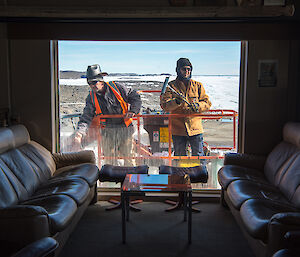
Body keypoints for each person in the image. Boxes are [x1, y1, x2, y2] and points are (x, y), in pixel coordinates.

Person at [74, 64, 142, 166]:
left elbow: (135, 96)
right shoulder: (91, 97)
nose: (92, 86)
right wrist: (80, 133)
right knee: (109, 160)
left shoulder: (117, 88)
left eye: (94, 82)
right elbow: (86, 117)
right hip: (107, 131)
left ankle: (131, 180)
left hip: (125, 129)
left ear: (101, 81)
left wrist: (133, 110)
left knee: (128, 157)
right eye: (89, 83)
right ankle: (112, 179)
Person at [160, 58, 211, 165]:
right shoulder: (171, 86)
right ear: (178, 70)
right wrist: (176, 101)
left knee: (198, 157)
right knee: (179, 158)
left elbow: (207, 103)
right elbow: (165, 105)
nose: (187, 72)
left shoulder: (197, 86)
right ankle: (180, 179)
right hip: (178, 129)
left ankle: (199, 178)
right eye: (184, 69)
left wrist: (198, 106)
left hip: (195, 128)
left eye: (189, 69)